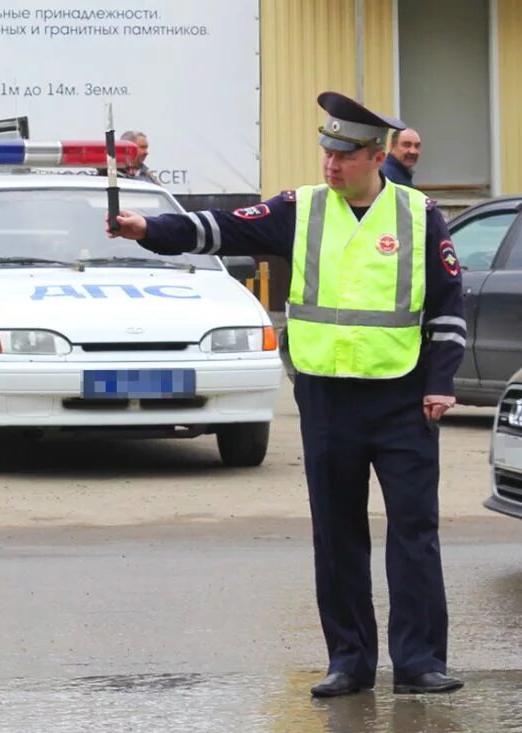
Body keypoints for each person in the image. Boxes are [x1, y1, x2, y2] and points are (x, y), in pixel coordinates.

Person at [107, 91, 466, 698]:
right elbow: (221, 227)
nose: (330, 165)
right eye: (326, 152)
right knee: (337, 534)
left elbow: (448, 305)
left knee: (414, 532)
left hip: (402, 398)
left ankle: (420, 663)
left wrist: (441, 382)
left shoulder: (419, 213)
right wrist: (149, 230)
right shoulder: (302, 208)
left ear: (376, 157)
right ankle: (349, 662)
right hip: (327, 400)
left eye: (345, 156)